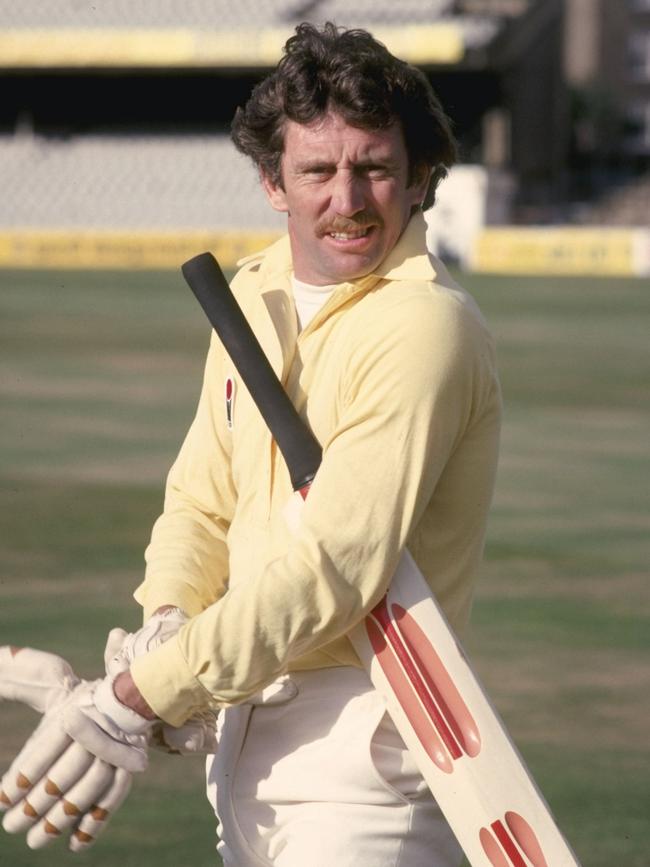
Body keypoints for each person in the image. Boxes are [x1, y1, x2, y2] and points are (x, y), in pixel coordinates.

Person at [0, 22, 501, 867]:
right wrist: (165, 626)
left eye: (375, 167)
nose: (347, 199)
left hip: (369, 758)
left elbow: (335, 568)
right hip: (241, 738)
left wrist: (138, 694)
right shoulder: (255, 292)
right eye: (317, 170)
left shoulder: (424, 327)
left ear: (418, 178)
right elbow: (202, 498)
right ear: (274, 181)